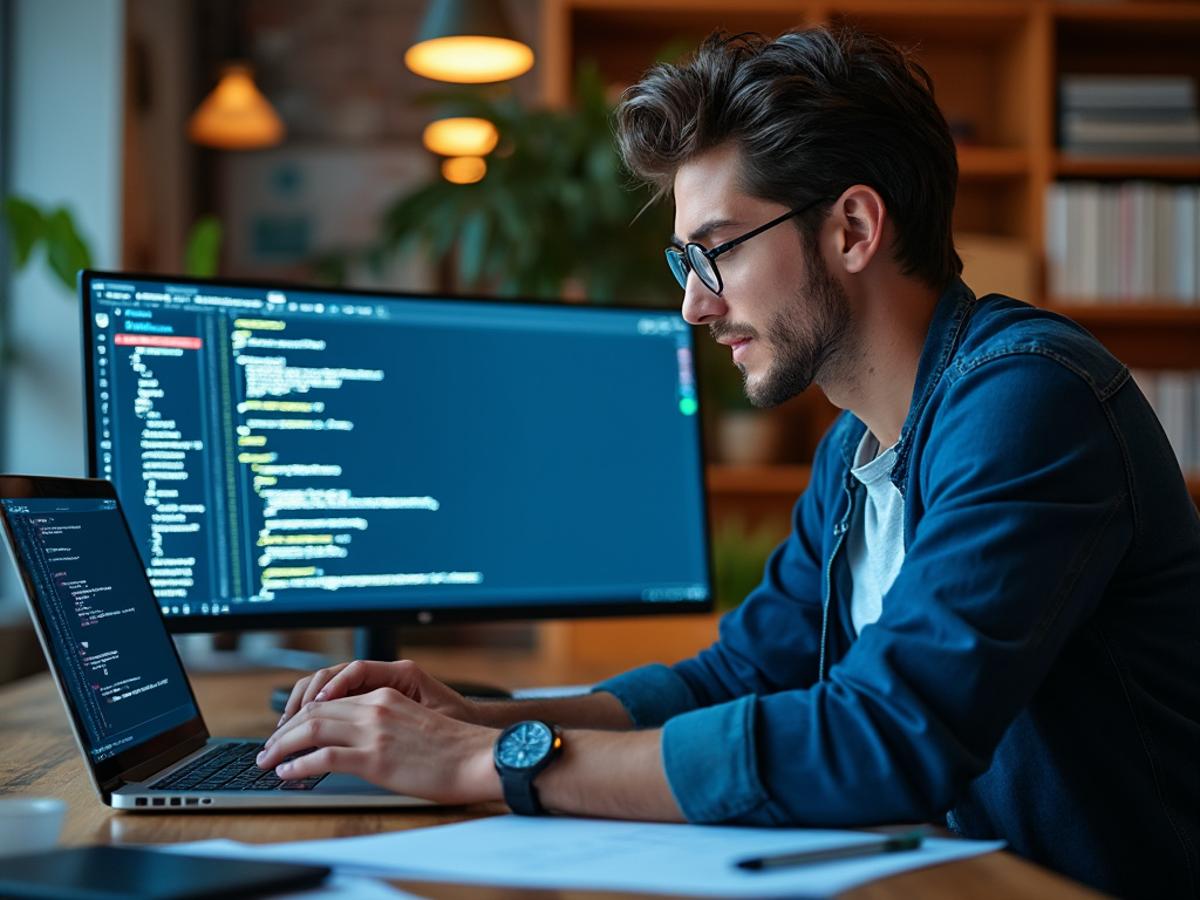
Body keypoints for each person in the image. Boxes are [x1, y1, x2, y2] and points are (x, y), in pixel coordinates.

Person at [255, 27, 1200, 898]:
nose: (693, 309)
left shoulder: (1034, 402)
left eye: (716, 253)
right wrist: (477, 723)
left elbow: (888, 737)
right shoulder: (855, 452)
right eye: (685, 265)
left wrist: (485, 768)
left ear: (854, 230)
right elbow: (736, 676)